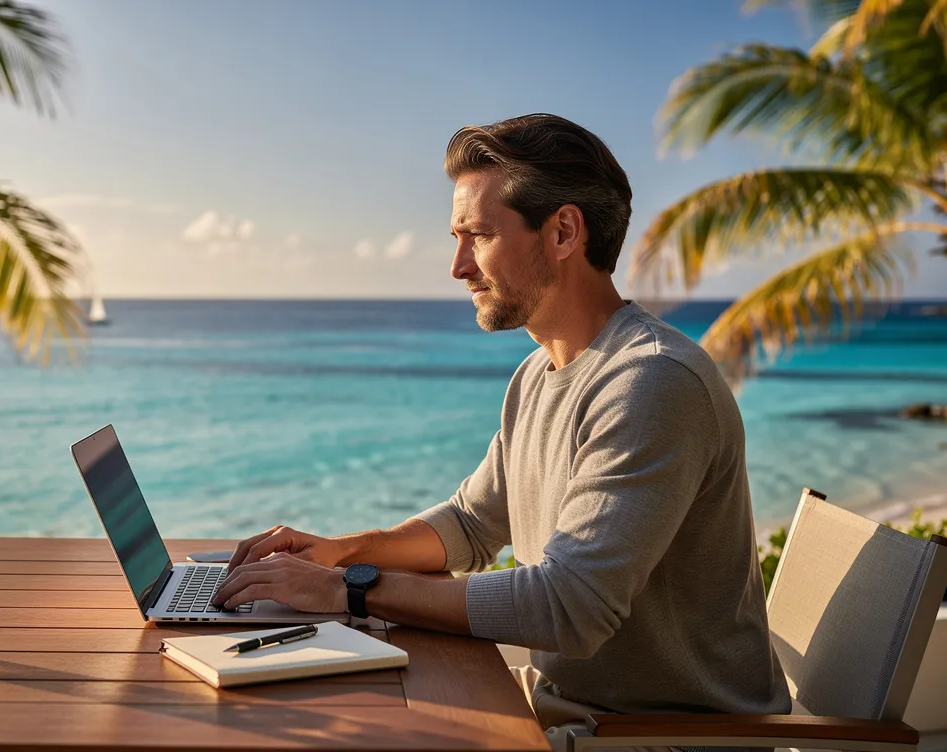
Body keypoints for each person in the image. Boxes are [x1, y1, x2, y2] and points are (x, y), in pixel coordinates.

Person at [212, 113, 791, 743]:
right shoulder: (539, 374)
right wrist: (340, 553)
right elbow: (471, 523)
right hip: (573, 717)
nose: (458, 266)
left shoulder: (651, 382)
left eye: (478, 236)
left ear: (564, 231)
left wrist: (348, 591)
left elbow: (569, 609)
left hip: (661, 738)